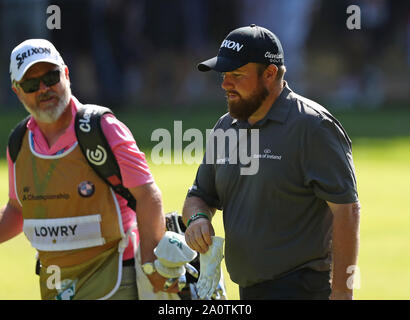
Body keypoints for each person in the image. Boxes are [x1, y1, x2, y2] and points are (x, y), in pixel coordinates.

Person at [182, 25, 360, 300]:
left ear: (270, 74)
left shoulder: (313, 127)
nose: (225, 84)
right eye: (224, 75)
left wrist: (341, 292)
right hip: (249, 290)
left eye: (237, 75)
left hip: (303, 289)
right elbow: (199, 195)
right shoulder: (225, 128)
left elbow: (347, 211)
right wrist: (197, 219)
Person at [0, 39, 181, 300]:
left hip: (117, 279)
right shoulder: (19, 142)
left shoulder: (102, 128)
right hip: (56, 285)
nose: (43, 89)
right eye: (30, 83)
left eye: (51, 77)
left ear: (66, 74)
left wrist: (152, 265)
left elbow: (147, 194)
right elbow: (18, 209)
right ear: (17, 91)